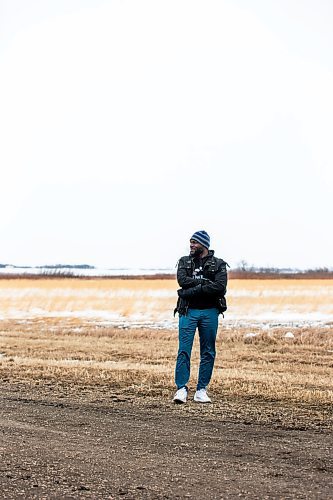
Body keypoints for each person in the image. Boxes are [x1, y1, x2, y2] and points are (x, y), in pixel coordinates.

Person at [173, 230, 228, 404]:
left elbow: (220, 287)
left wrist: (193, 290)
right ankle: (181, 389)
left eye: (195, 242)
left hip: (210, 312)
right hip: (188, 311)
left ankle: (201, 390)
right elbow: (182, 281)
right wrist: (205, 283)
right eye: (190, 242)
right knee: (184, 350)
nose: (191, 245)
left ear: (204, 245)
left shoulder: (218, 264)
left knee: (208, 351)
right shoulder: (184, 261)